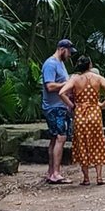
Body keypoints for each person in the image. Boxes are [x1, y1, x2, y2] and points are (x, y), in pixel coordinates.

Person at [62, 54, 105, 185]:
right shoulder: (97, 78)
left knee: (82, 144)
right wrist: (103, 104)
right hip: (94, 113)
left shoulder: (75, 79)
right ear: (90, 65)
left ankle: (86, 178)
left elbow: (61, 93)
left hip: (80, 114)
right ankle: (99, 177)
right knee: (97, 143)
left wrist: (72, 105)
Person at [40, 37, 74, 184]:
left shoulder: (61, 64)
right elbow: (50, 86)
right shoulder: (51, 64)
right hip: (53, 107)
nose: (70, 55)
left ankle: (51, 172)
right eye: (68, 52)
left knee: (55, 139)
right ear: (62, 49)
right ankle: (56, 173)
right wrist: (67, 84)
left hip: (60, 106)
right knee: (61, 137)